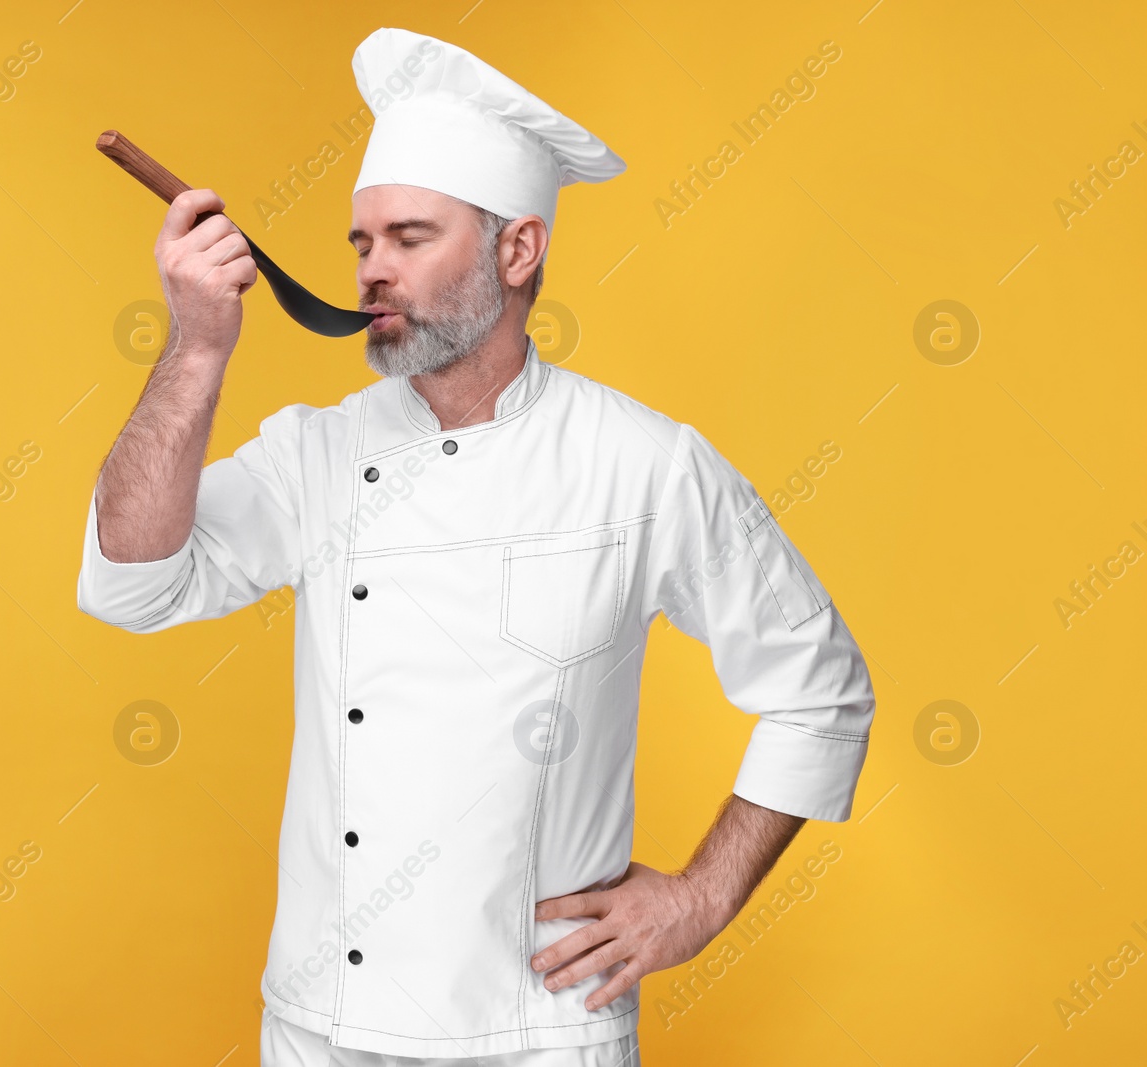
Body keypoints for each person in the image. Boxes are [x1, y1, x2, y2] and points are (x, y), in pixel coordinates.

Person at [77, 26, 874, 1067]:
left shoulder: (641, 462)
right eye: (362, 243)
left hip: (536, 1030)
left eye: (410, 238)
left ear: (516, 250)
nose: (373, 272)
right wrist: (194, 349)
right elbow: (131, 584)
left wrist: (701, 896)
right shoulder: (317, 454)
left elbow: (820, 689)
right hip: (322, 1024)